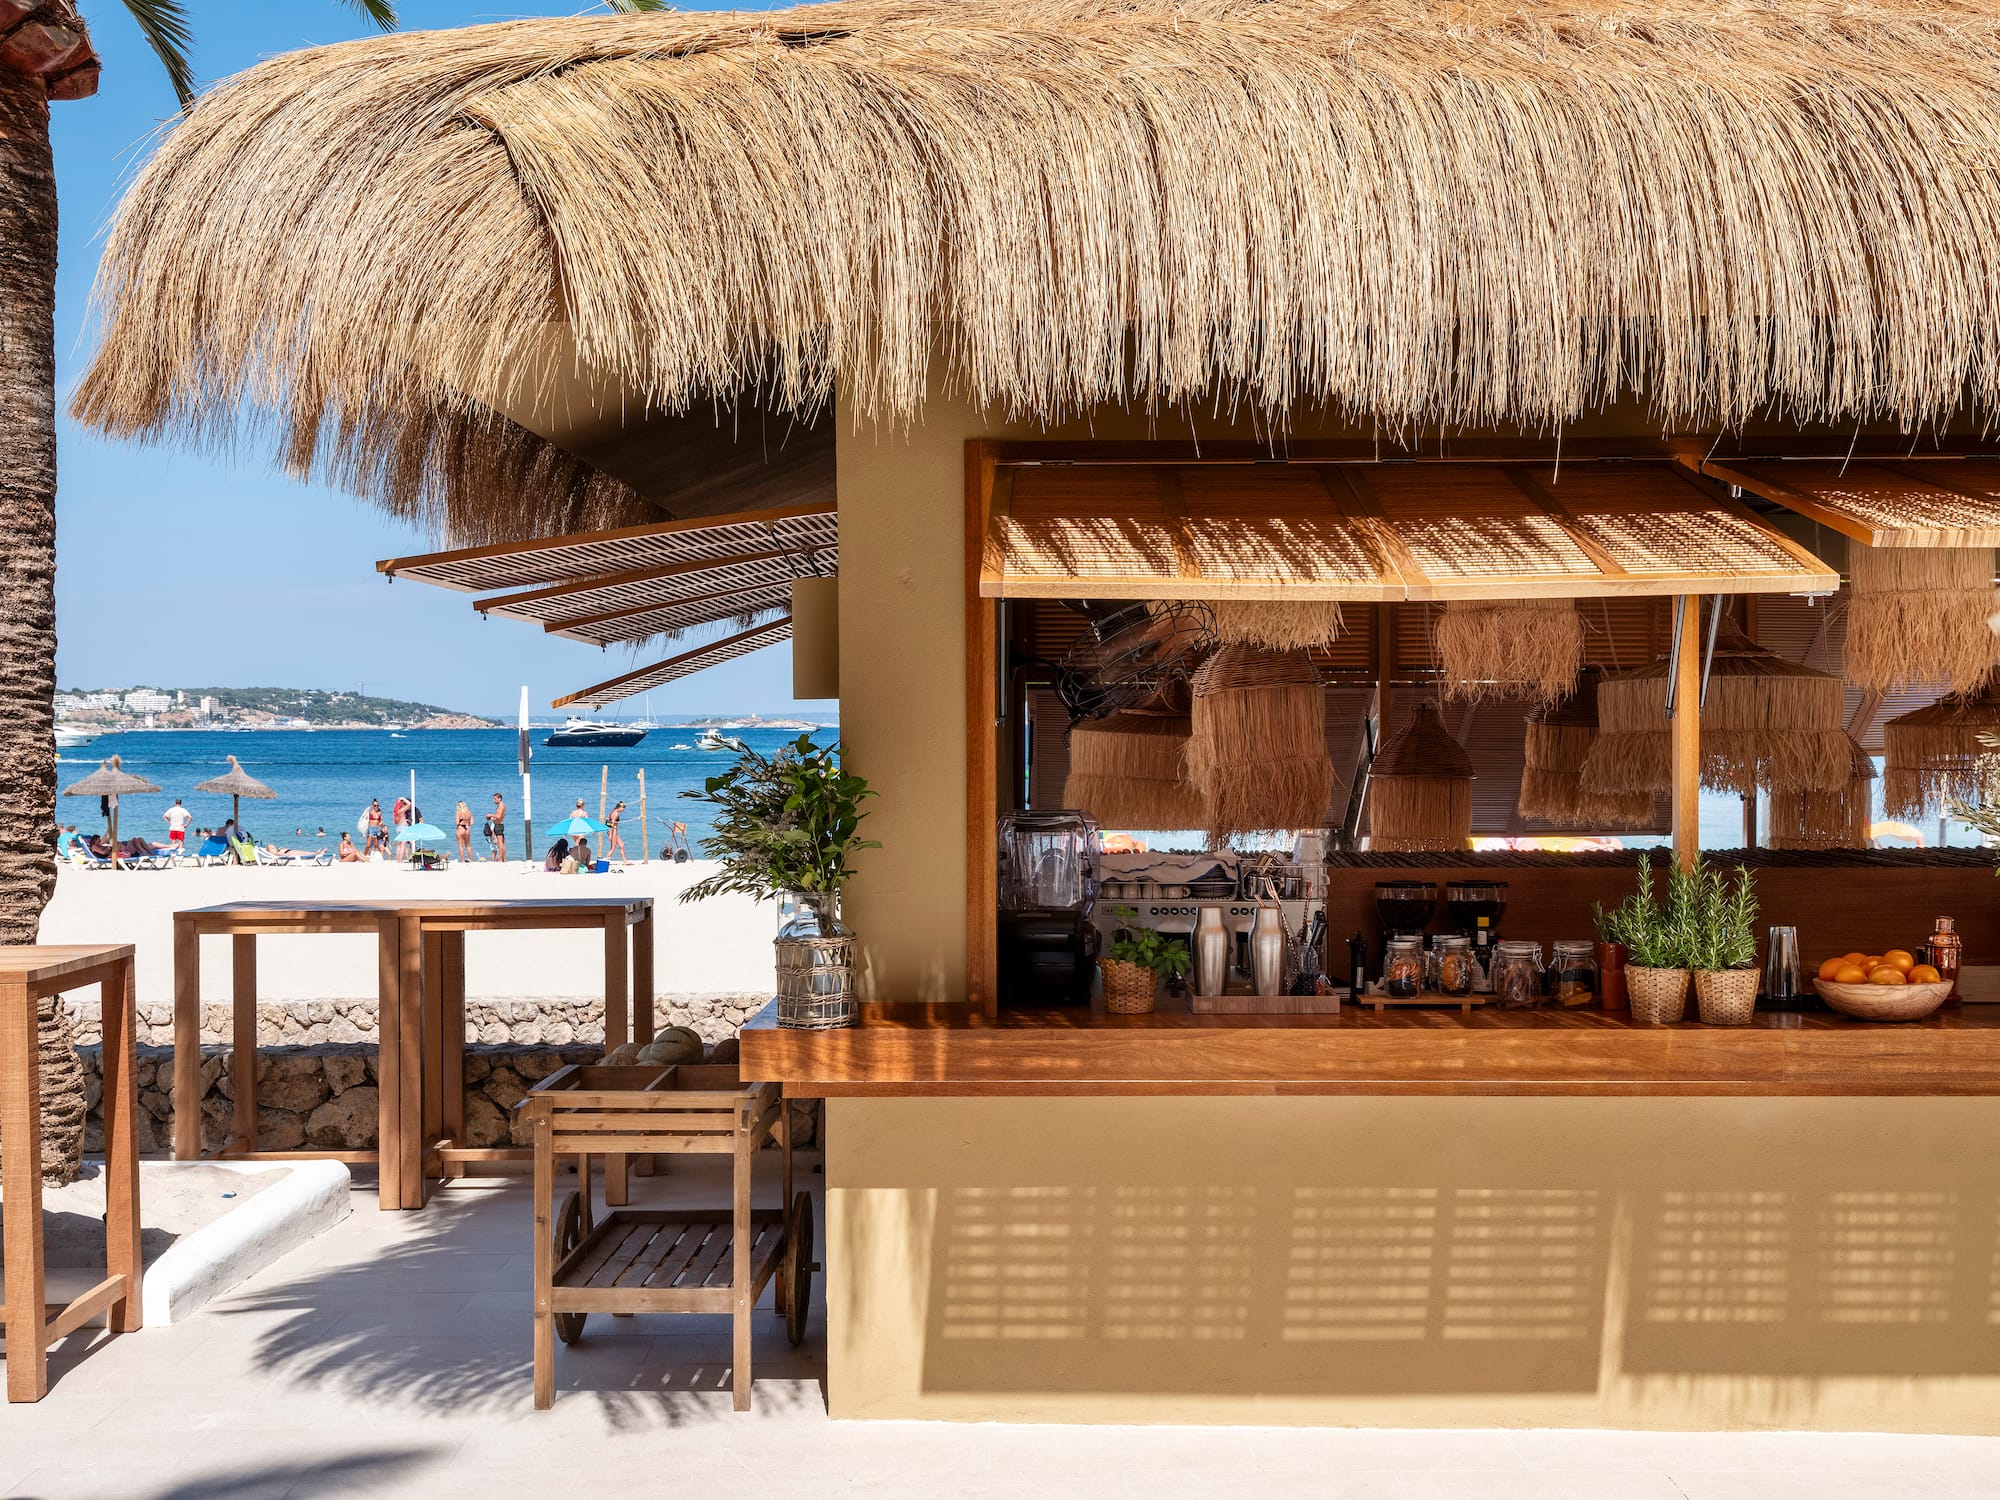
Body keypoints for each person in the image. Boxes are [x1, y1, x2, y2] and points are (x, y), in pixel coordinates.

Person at [487, 792, 507, 863]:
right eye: (494, 799)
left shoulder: (501, 805)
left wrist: (490, 815)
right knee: (502, 842)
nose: (494, 800)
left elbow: (499, 816)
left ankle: (501, 859)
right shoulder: (500, 805)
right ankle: (503, 859)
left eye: (495, 799)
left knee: (500, 843)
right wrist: (492, 817)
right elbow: (498, 816)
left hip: (499, 825)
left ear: (499, 798)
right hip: (498, 824)